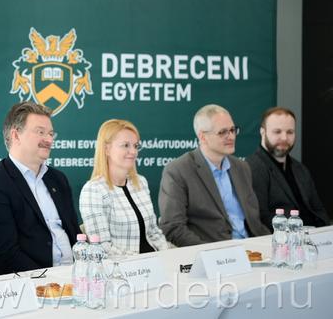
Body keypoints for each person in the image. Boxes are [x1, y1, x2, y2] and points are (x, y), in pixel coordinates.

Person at [0, 102, 79, 276]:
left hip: (75, 278)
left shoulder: (58, 179)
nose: (49, 140)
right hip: (32, 284)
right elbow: (4, 256)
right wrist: (49, 280)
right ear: (16, 136)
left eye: (51, 134)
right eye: (40, 132)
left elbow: (76, 235)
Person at [158, 104, 269, 247]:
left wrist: (270, 244)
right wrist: (211, 253)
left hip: (254, 250)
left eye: (232, 130)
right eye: (222, 132)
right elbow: (172, 227)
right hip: (211, 252)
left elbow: (255, 222)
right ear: (203, 137)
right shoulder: (178, 170)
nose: (231, 136)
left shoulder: (242, 168)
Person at [79, 119, 170, 256]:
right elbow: (102, 246)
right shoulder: (94, 190)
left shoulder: (141, 182)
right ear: (106, 149)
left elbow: (154, 232)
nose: (133, 151)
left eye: (135, 146)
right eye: (125, 145)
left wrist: (167, 256)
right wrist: (142, 261)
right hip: (124, 266)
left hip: (154, 261)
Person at [247, 107, 329, 230]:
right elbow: (261, 216)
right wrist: (297, 234)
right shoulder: (253, 167)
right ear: (263, 132)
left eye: (290, 132)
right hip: (283, 237)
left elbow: (318, 209)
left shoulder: (300, 168)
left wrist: (325, 233)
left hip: (314, 235)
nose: (285, 138)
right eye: (277, 132)